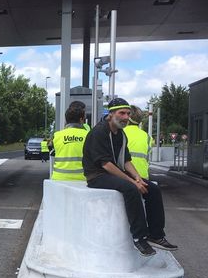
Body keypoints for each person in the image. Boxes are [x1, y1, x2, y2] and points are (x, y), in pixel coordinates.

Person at [82, 98, 178, 257]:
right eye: (122, 113)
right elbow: (106, 164)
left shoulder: (121, 134)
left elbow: (126, 160)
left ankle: (156, 235)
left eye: (128, 113)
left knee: (152, 189)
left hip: (112, 172)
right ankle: (139, 237)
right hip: (97, 175)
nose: (126, 117)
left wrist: (138, 177)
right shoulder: (98, 132)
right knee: (131, 188)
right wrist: (133, 182)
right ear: (111, 114)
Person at [51, 102, 89, 181]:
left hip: (59, 179)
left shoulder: (57, 135)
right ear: (81, 120)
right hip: (82, 179)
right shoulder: (88, 135)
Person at [123, 105, 152, 180]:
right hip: (143, 177)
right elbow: (148, 159)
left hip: (125, 177)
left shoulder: (120, 133)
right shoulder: (147, 137)